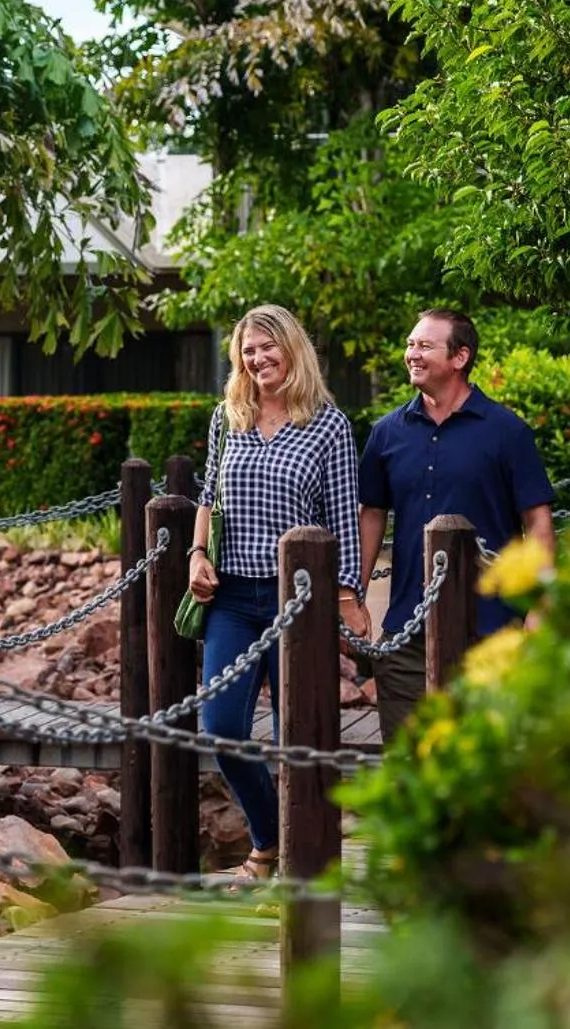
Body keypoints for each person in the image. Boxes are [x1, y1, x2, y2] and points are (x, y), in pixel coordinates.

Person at [188, 304, 362, 883]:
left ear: (292, 348)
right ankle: (270, 839)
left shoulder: (328, 425)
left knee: (298, 738)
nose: (257, 358)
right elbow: (209, 494)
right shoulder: (227, 416)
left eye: (268, 346)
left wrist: (346, 599)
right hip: (233, 599)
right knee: (222, 729)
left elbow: (341, 517)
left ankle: (294, 861)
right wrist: (195, 555)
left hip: (300, 603)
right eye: (248, 349)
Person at [358, 308, 554, 740]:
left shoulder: (508, 432)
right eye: (410, 344)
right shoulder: (386, 434)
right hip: (406, 633)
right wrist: (352, 595)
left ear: (460, 357)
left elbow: (537, 520)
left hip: (491, 629)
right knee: (409, 765)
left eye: (424, 345)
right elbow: (371, 516)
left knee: (488, 765)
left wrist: (540, 605)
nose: (412, 353)